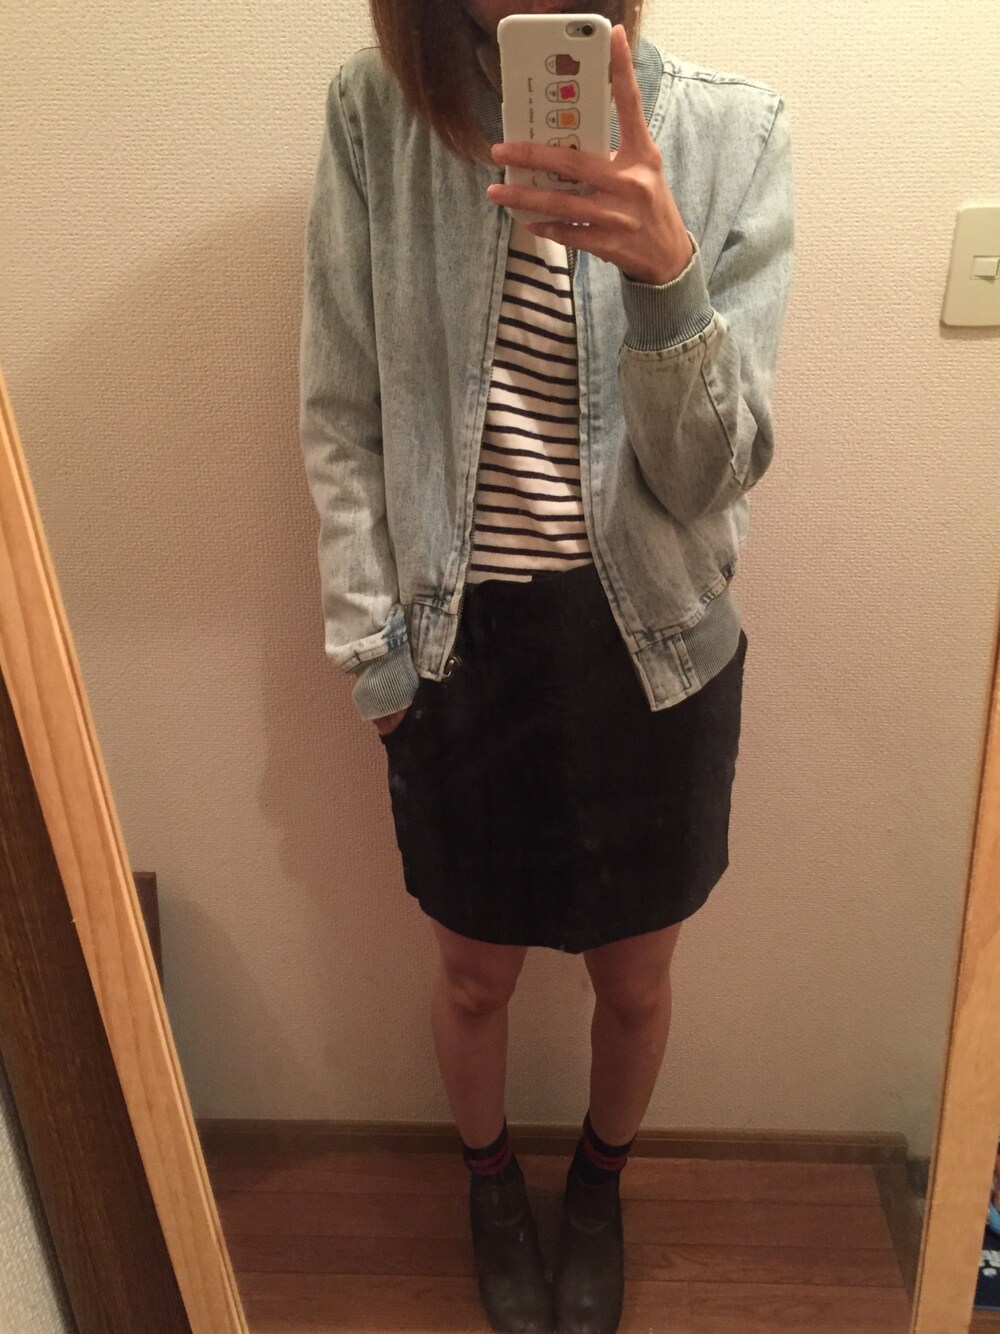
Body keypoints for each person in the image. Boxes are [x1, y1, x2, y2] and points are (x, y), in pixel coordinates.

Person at [299, 0, 794, 1328]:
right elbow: (342, 410)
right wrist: (375, 659)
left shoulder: (733, 132)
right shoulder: (375, 117)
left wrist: (668, 275)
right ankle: (490, 1188)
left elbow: (714, 476)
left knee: (634, 984)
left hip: (654, 650)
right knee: (475, 976)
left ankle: (596, 1188)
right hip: (457, 651)